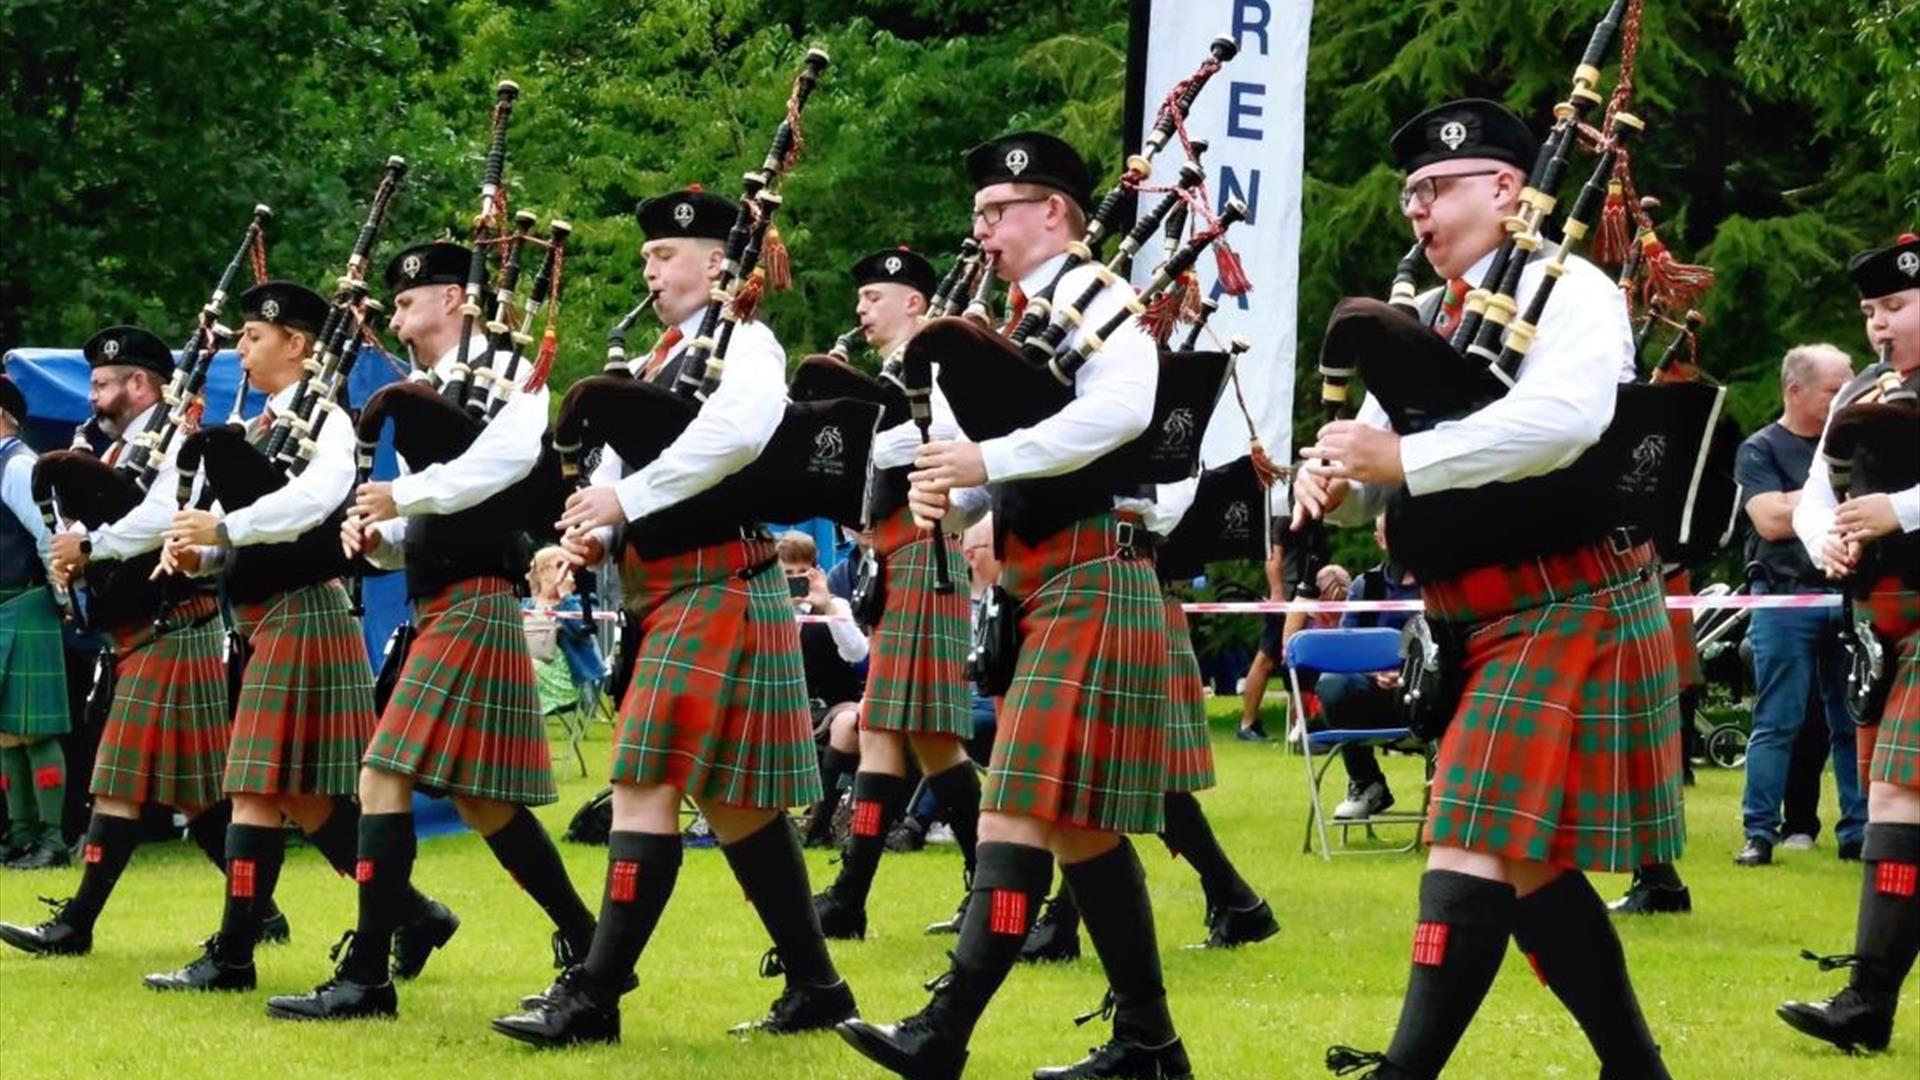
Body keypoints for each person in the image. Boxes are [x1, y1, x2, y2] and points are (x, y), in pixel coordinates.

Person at [1297, 99, 1681, 1078]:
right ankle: (1637, 1070)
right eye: (1408, 197)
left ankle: (1405, 1071)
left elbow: (1563, 422)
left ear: (1508, 189)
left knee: (1468, 841)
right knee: (1527, 862)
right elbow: (1374, 487)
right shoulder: (1426, 319)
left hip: (1566, 599)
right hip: (1473, 617)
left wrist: (1404, 451)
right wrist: (1335, 477)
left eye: (1436, 190)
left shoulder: (1572, 291)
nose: (1417, 214)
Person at [837, 130, 1192, 1079]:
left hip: (1095, 569)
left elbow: (1121, 415)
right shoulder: (1015, 320)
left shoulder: (1100, 295)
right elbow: (965, 457)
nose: (983, 230)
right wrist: (942, 491)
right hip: (1049, 579)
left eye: (999, 212)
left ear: (1055, 214)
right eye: (981, 214)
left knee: (1019, 815)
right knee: (1079, 827)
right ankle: (1149, 1046)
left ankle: (941, 1035)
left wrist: (984, 464)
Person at [490, 186, 856, 1047]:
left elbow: (737, 435)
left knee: (643, 782)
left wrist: (627, 496)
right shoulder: (658, 359)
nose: (650, 271)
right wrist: (593, 530)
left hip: (718, 585)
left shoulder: (749, 345)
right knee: (735, 807)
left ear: (717, 263)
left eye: (664, 256)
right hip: (671, 593)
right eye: (648, 257)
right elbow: (625, 472)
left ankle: (594, 993)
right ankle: (817, 985)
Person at [269, 241, 592, 1022]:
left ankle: (370, 978)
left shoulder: (509, 374)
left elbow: (506, 465)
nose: (399, 316)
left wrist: (403, 493)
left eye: (411, 301)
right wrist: (377, 536)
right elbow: (430, 519)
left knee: (382, 775)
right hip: (443, 603)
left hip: (476, 601)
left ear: (454, 299)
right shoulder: (435, 389)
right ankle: (587, 935)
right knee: (483, 801)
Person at [145, 282, 446, 993]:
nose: (241, 351)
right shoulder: (254, 430)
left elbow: (313, 505)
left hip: (304, 614)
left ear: (298, 344)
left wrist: (225, 530)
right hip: (263, 621)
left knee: (252, 786)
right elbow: (239, 538)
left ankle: (233, 957)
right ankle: (415, 913)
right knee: (305, 799)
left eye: (253, 338)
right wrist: (202, 553)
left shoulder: (332, 424)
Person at [2, 327, 248, 957]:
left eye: (104, 384)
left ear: (139, 384)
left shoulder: (175, 444)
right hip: (145, 633)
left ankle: (76, 925)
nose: (94, 397)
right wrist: (70, 557)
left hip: (175, 627)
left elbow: (164, 517)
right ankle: (275, 911)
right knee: (200, 800)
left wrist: (90, 547)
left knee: (116, 780)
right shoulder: (113, 454)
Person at [812, 244, 985, 942]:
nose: (861, 309)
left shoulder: (940, 369)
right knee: (890, 729)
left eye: (873, 298)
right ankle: (852, 896)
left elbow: (943, 441)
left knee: (931, 735)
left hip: (930, 549)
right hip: (891, 553)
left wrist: (865, 434)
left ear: (914, 302)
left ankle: (990, 882)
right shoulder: (888, 373)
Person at [1777, 232, 1920, 1054]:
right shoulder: (1864, 387)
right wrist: (1828, 535)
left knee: (1901, 796)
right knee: (1895, 799)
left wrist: (1899, 511)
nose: (1879, 326)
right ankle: (1867, 1003)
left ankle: (1867, 1000)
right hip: (1887, 625)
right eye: (1870, 311)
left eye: (1895, 307)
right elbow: (1812, 495)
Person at [1730, 342, 1867, 868]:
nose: (1845, 400)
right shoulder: (1760, 449)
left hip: (1846, 593)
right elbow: (1767, 521)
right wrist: (1829, 505)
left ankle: (1857, 831)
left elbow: (1871, 508)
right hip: (1784, 598)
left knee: (1851, 719)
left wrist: (1799, 504)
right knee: (1777, 719)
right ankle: (1759, 832)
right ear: (1796, 391)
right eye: (1836, 391)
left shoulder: (1854, 442)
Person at [0, 374, 70, 871]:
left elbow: (50, 537)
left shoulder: (19, 465)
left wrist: (64, 597)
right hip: (3, 607)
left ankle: (53, 839)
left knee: (35, 732)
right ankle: (20, 835)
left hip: (26, 603)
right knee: (4, 733)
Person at [1314, 519, 1418, 822]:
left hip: (1426, 694)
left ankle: (1447, 786)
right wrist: (1375, 673)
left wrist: (1408, 676)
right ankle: (1367, 783)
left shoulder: (1440, 585)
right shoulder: (1366, 586)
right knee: (1333, 683)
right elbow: (1346, 649)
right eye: (1392, 535)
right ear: (1380, 540)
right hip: (1375, 693)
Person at [777, 530, 869, 849]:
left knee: (848, 723)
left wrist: (826, 606)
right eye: (787, 573)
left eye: (803, 572)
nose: (796, 580)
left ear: (816, 571)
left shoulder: (837, 606)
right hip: (781, 705)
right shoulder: (766, 610)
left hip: (834, 704)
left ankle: (821, 822)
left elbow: (857, 653)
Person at [522, 545, 606, 718]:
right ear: (542, 571)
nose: (567, 571)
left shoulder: (582, 602)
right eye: (560, 566)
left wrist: (566, 597)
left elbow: (583, 629)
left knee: (527, 668)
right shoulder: (525, 607)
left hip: (571, 678)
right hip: (531, 669)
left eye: (568, 566)